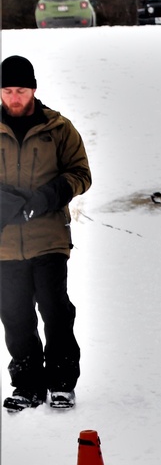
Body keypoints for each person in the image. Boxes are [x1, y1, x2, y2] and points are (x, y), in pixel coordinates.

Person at [0, 55, 92, 412]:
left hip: (49, 238)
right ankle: (27, 385)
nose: (14, 97)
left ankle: (61, 383)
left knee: (55, 311)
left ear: (33, 90)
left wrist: (49, 196)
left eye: (20, 90)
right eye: (7, 90)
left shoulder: (58, 128)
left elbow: (81, 173)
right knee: (15, 315)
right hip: (5, 245)